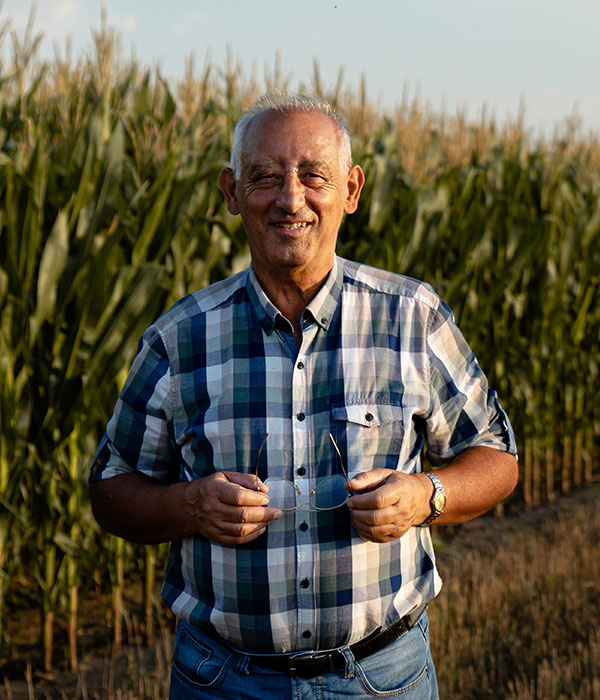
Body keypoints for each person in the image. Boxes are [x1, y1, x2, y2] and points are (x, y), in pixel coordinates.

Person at [89, 93, 518, 699]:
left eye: (313, 176)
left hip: (381, 678)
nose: (291, 199)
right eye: (264, 178)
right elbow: (110, 489)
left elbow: (497, 455)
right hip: (221, 682)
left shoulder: (412, 319)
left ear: (351, 189)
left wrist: (427, 494)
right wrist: (189, 505)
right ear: (231, 193)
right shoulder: (177, 339)